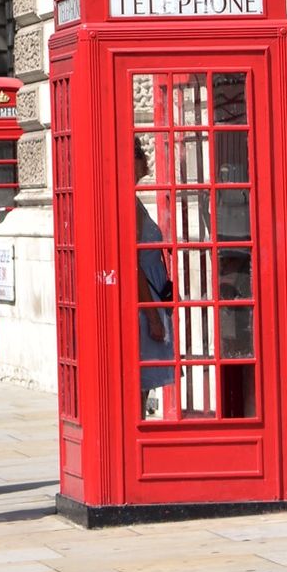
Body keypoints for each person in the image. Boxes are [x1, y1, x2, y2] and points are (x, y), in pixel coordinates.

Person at [135, 141, 174, 418]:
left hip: (152, 298)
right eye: (139, 155)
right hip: (143, 306)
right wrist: (152, 317)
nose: (146, 160)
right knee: (139, 381)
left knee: (144, 384)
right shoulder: (128, 203)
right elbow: (130, 264)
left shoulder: (133, 199)